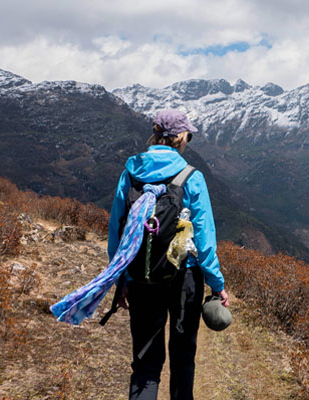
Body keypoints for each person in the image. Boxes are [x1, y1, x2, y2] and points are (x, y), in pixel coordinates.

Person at [107, 109, 229, 400]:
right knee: (183, 358)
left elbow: (117, 229)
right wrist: (217, 284)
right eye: (188, 134)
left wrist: (121, 277)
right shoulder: (191, 177)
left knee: (146, 365)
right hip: (184, 277)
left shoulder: (131, 173)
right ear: (180, 137)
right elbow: (204, 239)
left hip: (141, 276)